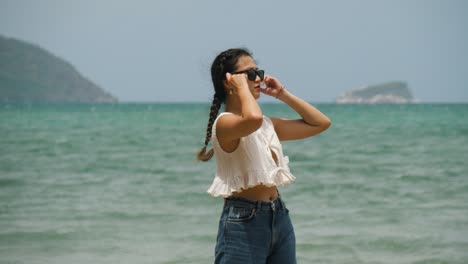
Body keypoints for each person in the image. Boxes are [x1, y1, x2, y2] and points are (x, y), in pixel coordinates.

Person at [197, 48, 331, 263]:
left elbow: (320, 123)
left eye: (259, 72)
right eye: (250, 74)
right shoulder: (225, 123)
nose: (258, 78)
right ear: (228, 81)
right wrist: (241, 89)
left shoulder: (267, 124)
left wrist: (282, 94)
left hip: (279, 216)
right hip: (243, 222)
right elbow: (252, 119)